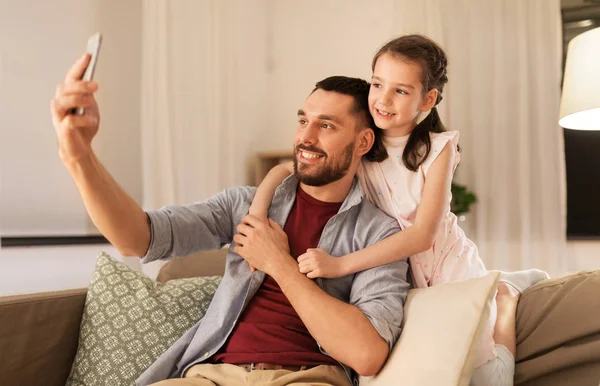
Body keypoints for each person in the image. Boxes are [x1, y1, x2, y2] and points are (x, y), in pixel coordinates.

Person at [50, 56, 409, 386]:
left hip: (306, 378)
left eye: (326, 126)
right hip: (211, 376)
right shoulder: (245, 204)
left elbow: (367, 355)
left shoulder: (379, 233)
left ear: (363, 141)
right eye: (303, 121)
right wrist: (80, 157)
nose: (305, 138)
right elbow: (138, 238)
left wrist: (278, 264)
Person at [248, 34, 550, 386]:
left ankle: (507, 296)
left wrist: (341, 264)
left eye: (401, 91)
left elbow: (422, 235)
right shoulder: (362, 145)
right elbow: (284, 169)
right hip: (399, 274)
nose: (383, 99)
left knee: (488, 379)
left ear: (428, 99)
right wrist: (256, 215)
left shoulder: (439, 149)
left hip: (446, 266)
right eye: (378, 84)